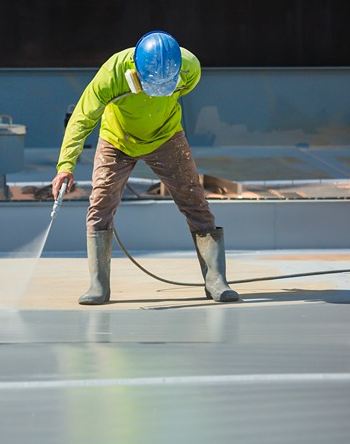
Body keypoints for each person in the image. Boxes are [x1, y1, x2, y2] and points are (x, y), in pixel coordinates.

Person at [51, 30, 239, 305]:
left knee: (194, 200)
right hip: (118, 140)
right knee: (100, 204)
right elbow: (82, 117)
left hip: (166, 136)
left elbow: (184, 89)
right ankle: (98, 285)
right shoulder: (113, 73)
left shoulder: (190, 67)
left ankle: (216, 280)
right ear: (134, 72)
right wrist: (65, 165)